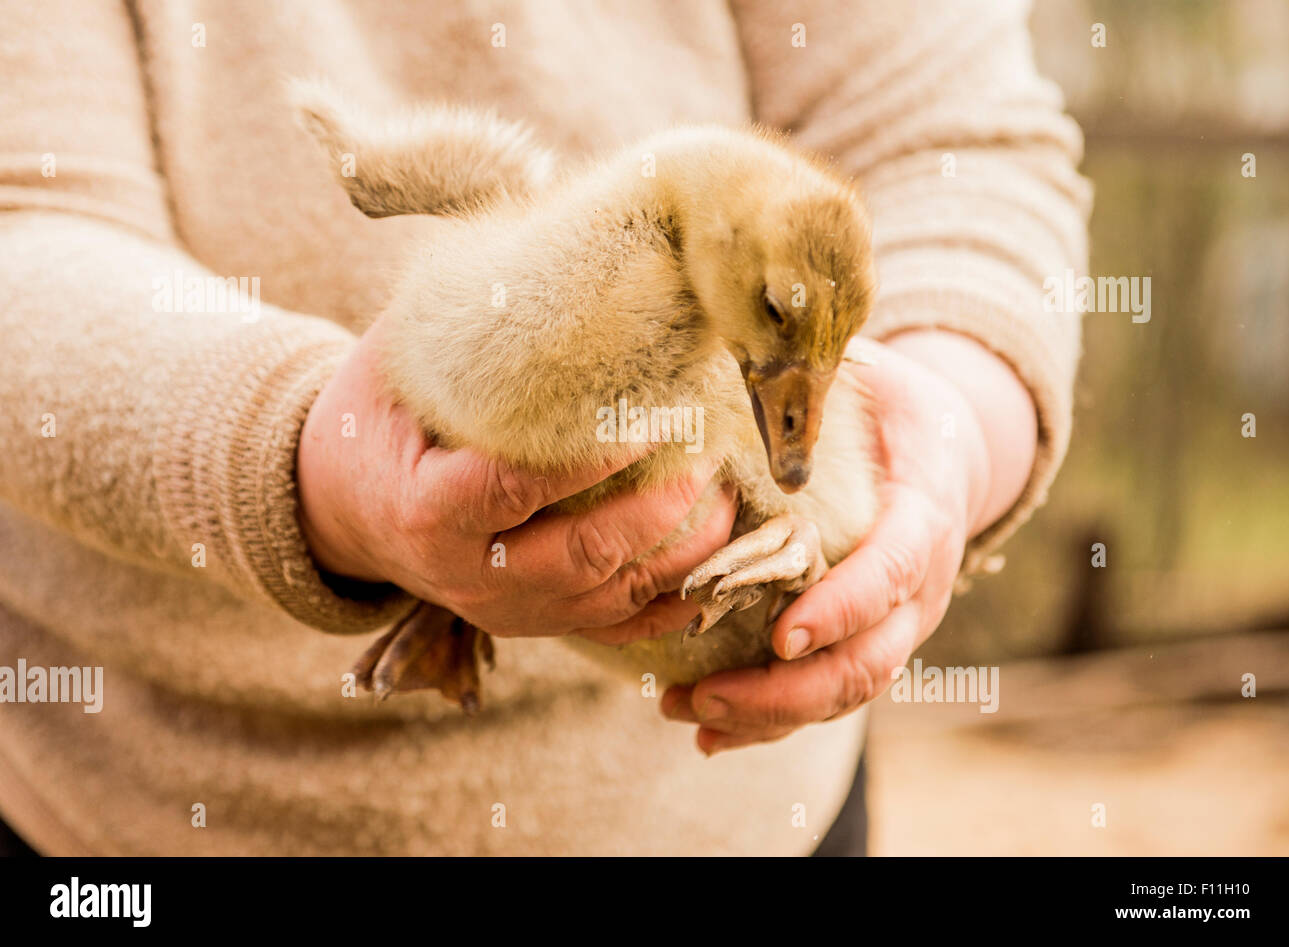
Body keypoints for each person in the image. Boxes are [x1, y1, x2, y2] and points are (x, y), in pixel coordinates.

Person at [0, 0, 1090, 855]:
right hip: (126, 820)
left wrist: (954, 428)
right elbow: (25, 222)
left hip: (729, 823)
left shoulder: (716, 322)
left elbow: (953, 137)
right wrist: (301, 462)